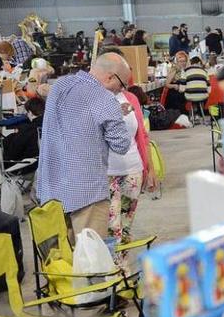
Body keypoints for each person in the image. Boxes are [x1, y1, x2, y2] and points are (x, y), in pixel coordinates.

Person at [36, 53, 131, 237]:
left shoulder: (60, 85)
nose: (119, 91)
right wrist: (117, 116)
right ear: (110, 77)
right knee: (91, 259)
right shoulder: (105, 99)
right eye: (121, 86)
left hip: (50, 191)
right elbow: (121, 144)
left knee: (61, 260)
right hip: (87, 194)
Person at [108, 87, 145, 268]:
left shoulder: (131, 97)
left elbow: (141, 135)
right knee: (113, 226)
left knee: (126, 226)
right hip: (107, 172)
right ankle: (116, 272)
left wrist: (149, 168)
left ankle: (123, 270)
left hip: (133, 168)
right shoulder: (94, 98)